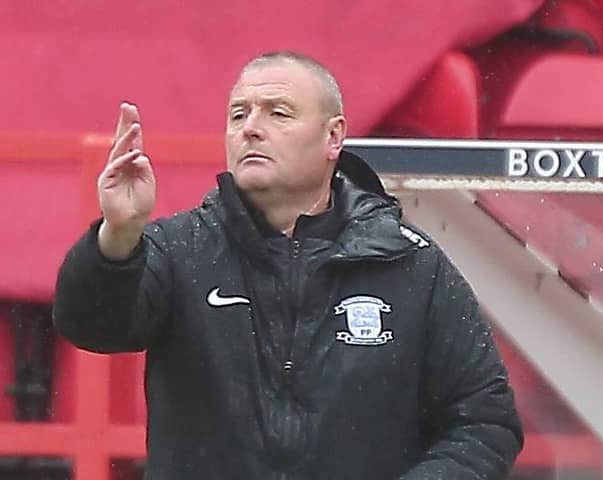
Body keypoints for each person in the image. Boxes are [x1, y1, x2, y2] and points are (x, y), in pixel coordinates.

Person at [53, 51, 523, 479]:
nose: (250, 128)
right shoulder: (178, 249)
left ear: (333, 136)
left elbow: (485, 421)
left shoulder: (412, 265)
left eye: (278, 113)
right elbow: (93, 326)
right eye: (238, 114)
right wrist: (118, 233)